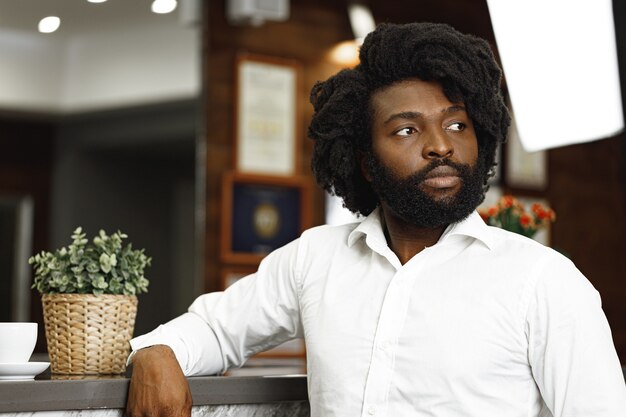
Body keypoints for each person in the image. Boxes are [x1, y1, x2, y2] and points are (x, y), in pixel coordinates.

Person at [126, 22, 626, 417]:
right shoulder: (316, 259)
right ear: (364, 157)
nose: (440, 145)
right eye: (407, 130)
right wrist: (155, 353)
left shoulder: (544, 280)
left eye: (457, 124)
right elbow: (214, 332)